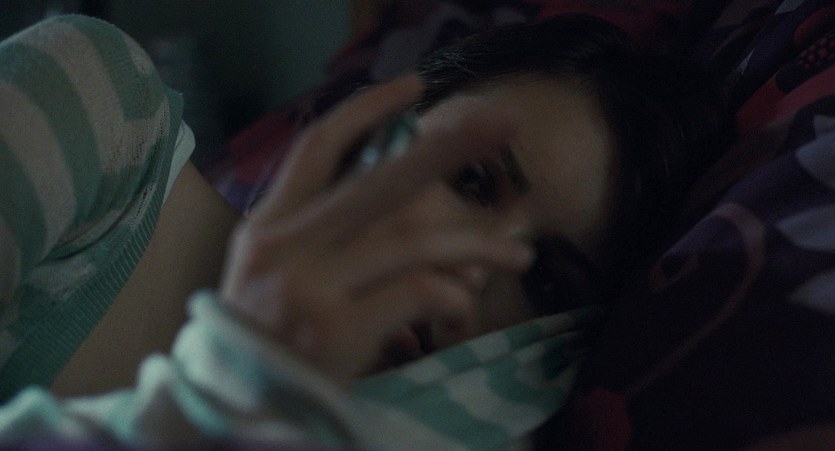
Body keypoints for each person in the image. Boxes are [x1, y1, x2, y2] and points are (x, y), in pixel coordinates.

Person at [0, 12, 729, 449]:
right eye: (470, 179)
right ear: (374, 127)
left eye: (542, 279)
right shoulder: (95, 104)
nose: (470, 268)